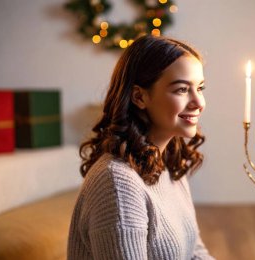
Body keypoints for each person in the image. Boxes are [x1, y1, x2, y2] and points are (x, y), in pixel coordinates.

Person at [67, 34, 215, 260]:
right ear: (139, 97)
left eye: (200, 88)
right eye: (182, 90)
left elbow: (195, 252)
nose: (199, 103)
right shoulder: (117, 184)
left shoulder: (167, 164)